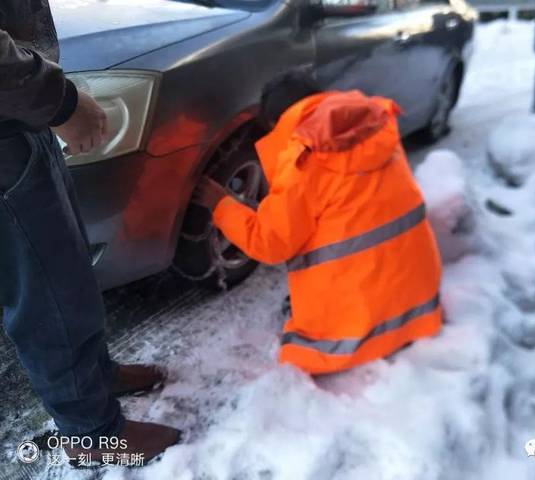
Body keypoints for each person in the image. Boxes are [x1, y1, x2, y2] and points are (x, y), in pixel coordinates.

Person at [0, 1, 179, 464]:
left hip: (19, 117)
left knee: (68, 273)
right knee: (46, 297)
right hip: (7, 125)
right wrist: (60, 101)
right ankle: (92, 436)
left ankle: (94, 378)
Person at [194, 72, 443, 375]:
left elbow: (269, 243)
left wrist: (220, 204)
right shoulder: (378, 128)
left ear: (276, 123)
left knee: (305, 342)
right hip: (418, 304)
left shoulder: (305, 156)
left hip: (354, 333)